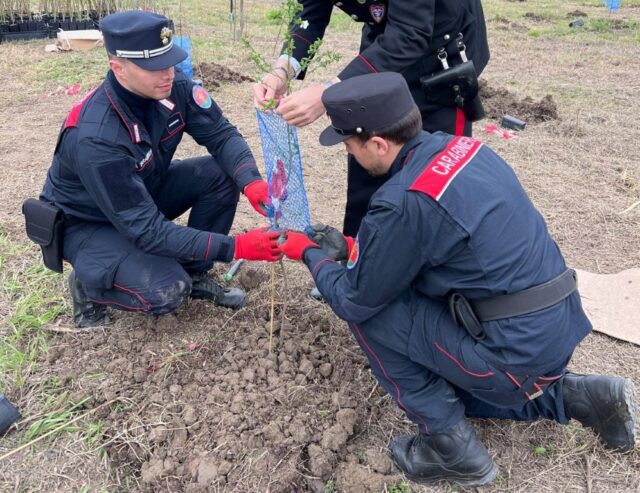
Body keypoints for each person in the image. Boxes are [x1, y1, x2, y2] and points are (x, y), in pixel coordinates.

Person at [279, 72, 637, 487]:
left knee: (371, 313)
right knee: (455, 377)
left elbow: (355, 299)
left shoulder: (403, 201)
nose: (348, 153)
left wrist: (309, 254)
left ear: (378, 143)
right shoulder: (465, 149)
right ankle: (583, 397)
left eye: (349, 144)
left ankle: (448, 448)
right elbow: (440, 249)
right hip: (552, 328)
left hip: (514, 354)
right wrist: (350, 248)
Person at [37, 11, 282, 329]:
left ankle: (195, 273)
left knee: (223, 174)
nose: (167, 73)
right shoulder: (97, 137)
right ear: (118, 69)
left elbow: (221, 135)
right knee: (167, 290)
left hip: (139, 193)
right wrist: (235, 247)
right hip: (89, 222)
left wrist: (251, 182)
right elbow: (147, 230)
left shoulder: (172, 86)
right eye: (154, 67)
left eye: (169, 61)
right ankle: (89, 283)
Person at [253, 0, 490, 237]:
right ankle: (359, 254)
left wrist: (328, 92)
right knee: (366, 156)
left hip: (440, 50)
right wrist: (283, 69)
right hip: (385, 38)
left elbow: (410, 34)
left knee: (434, 177)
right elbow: (310, 14)